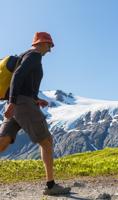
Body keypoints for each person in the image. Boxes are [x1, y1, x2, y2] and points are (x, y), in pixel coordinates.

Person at [0, 32, 71, 195]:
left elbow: (23, 83)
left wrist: (36, 99)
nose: (50, 50)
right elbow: (17, 76)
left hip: (21, 102)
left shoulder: (24, 55)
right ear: (42, 43)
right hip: (22, 104)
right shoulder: (34, 55)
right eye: (50, 45)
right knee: (46, 141)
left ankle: (51, 184)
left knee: (3, 142)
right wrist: (12, 102)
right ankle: (51, 186)